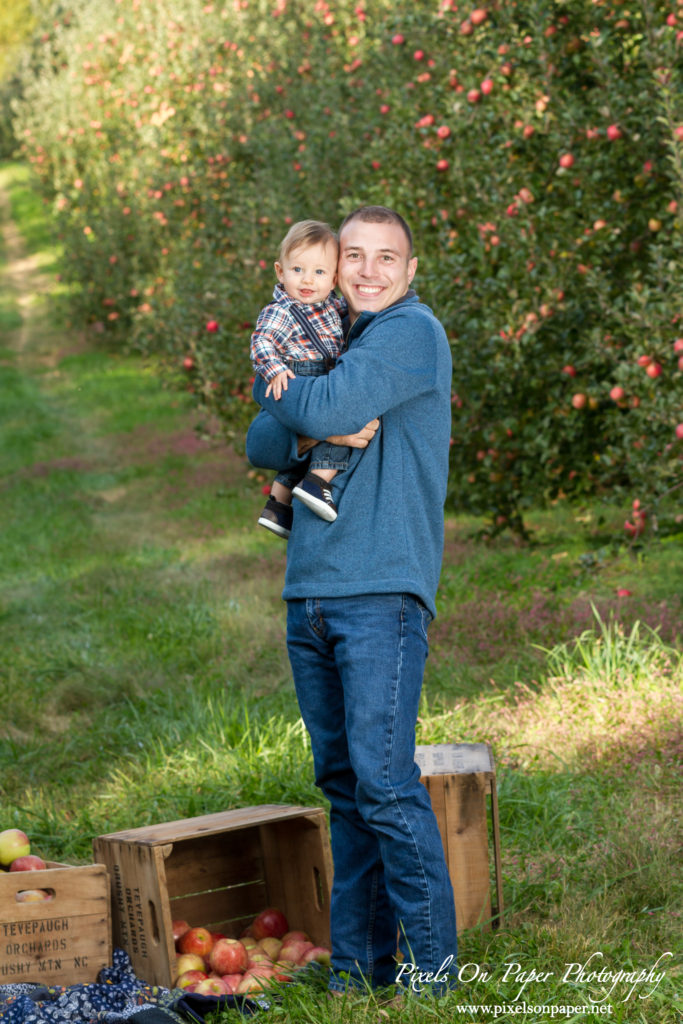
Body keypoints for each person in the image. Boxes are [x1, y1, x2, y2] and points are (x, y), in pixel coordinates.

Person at [245, 206, 457, 997]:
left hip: (378, 593)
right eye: (353, 257)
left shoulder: (410, 334)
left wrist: (298, 403)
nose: (367, 271)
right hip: (311, 589)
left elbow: (313, 410)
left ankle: (433, 977)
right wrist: (301, 416)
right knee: (342, 783)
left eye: (385, 258)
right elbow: (263, 443)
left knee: (383, 781)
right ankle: (356, 973)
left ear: (410, 270)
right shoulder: (337, 339)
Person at [251, 220, 351, 538]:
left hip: (315, 375)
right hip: (300, 377)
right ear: (280, 272)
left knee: (298, 453)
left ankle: (277, 505)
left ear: (334, 278)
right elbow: (262, 341)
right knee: (337, 427)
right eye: (298, 270)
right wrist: (275, 370)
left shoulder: (332, 305)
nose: (307, 280)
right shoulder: (282, 310)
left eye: (319, 273)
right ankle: (318, 482)